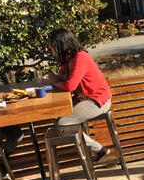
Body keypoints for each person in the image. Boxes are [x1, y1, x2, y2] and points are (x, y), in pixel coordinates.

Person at [47, 28, 112, 162]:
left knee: (63, 123)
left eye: (52, 46)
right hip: (86, 99)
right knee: (57, 117)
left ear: (61, 45)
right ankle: (93, 151)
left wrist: (54, 82)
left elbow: (69, 85)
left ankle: (99, 150)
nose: (51, 50)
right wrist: (58, 78)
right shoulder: (68, 60)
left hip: (98, 100)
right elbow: (65, 78)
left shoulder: (80, 57)